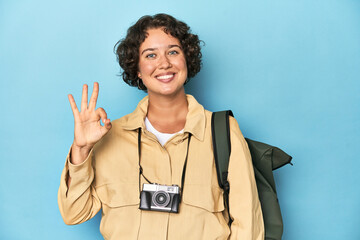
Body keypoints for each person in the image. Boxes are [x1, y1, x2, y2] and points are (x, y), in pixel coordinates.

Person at [58, 13, 264, 240]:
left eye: (173, 52)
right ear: (137, 69)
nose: (164, 63)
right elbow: (73, 213)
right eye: (150, 55)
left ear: (187, 59)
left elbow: (249, 227)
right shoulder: (108, 136)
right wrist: (81, 150)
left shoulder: (223, 132)